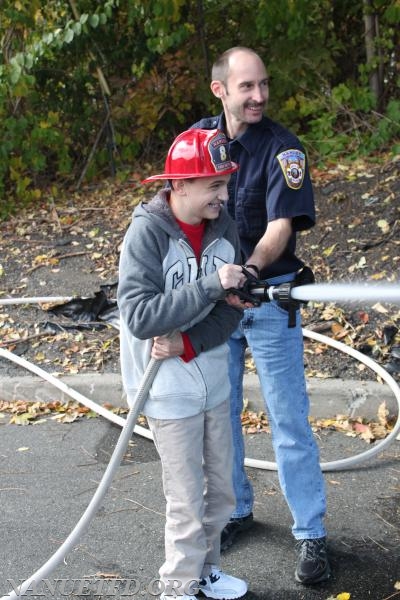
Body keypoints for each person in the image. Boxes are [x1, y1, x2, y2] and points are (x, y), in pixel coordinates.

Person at [192, 47, 331, 585]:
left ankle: (311, 535)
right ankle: (236, 511)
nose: (259, 96)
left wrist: (247, 272)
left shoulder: (283, 149)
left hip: (269, 299)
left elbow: (280, 229)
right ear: (220, 90)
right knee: (219, 420)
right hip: (214, 306)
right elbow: (180, 209)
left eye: (264, 85)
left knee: (289, 421)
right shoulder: (199, 144)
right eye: (247, 87)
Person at [118, 128, 249, 600]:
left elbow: (229, 313)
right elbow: (140, 316)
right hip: (166, 391)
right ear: (180, 186)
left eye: (226, 183)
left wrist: (189, 343)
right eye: (214, 185)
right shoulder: (147, 233)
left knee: (221, 495)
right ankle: (177, 588)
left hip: (211, 379)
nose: (223, 194)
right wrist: (211, 285)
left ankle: (206, 572)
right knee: (187, 501)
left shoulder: (225, 227)